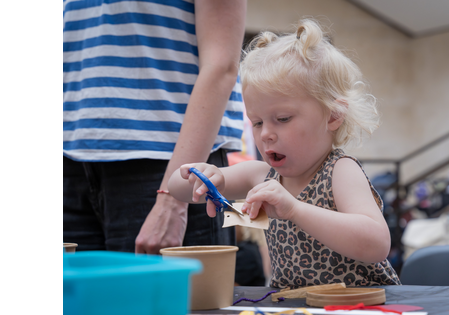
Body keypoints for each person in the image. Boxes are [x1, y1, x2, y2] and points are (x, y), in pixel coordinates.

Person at [168, 19, 400, 288]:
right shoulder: (261, 175)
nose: (265, 133)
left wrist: (294, 209)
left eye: (283, 118)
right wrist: (203, 176)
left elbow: (377, 244)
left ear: (334, 116)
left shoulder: (339, 171)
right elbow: (177, 189)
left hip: (359, 305)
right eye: (257, 122)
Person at [63, 0, 247, 253]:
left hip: (170, 167)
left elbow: (222, 66)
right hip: (69, 166)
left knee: (166, 294)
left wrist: (174, 199)